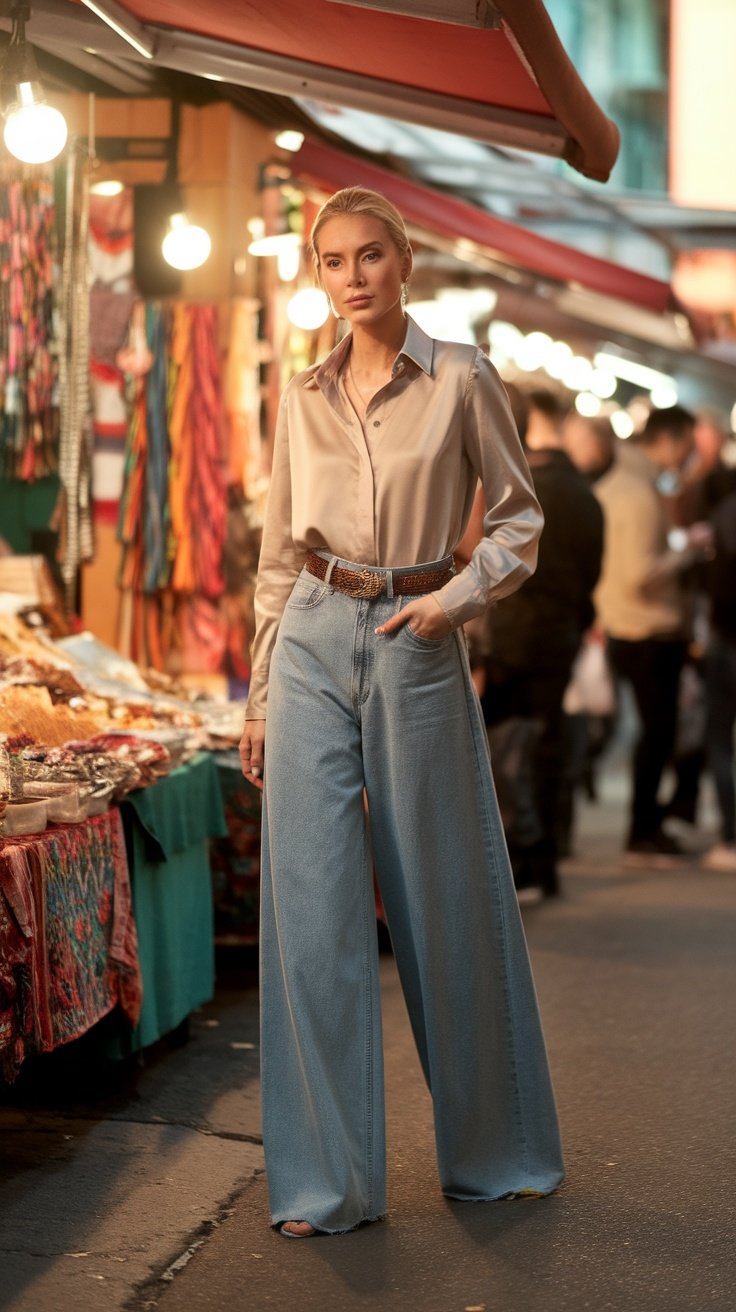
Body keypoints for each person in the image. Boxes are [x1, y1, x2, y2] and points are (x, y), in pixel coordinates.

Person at [239, 187, 564, 1238]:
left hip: (416, 638)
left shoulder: (463, 376)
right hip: (312, 636)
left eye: (370, 254)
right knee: (311, 918)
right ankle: (325, 1186)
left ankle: (495, 1155)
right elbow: (275, 559)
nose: (352, 277)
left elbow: (518, 521)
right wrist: (256, 695)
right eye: (333, 261)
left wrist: (455, 600)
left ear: (406, 260)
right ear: (320, 276)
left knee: (446, 902)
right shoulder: (300, 397)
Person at [479, 389, 604, 898]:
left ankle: (515, 859)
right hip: (558, 636)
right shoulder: (583, 493)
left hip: (507, 637)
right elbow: (591, 575)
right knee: (546, 749)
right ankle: (545, 858)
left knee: (498, 752)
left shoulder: (514, 489)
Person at [584, 406, 712, 864]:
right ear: (672, 439)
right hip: (646, 629)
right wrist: (688, 553)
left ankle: (647, 825)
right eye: (689, 444)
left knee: (656, 733)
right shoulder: (637, 492)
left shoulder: (624, 484)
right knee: (657, 734)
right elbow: (640, 573)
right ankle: (643, 828)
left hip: (630, 626)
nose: (692, 454)